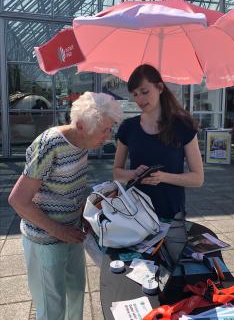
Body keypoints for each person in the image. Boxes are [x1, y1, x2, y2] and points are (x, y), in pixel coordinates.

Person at [8, 92, 122, 320]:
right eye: (104, 130)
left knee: (76, 293)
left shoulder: (82, 143)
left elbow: (71, 189)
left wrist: (86, 214)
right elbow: (18, 200)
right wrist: (60, 230)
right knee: (52, 307)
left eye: (110, 129)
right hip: (45, 240)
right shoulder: (51, 145)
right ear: (80, 125)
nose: (108, 136)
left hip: (72, 233)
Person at [113, 64, 204, 220]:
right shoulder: (128, 127)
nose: (139, 99)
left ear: (160, 87)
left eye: (144, 91)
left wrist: (163, 177)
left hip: (171, 213)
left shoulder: (183, 126)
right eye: (134, 94)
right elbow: (116, 173)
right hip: (135, 213)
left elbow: (197, 179)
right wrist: (133, 173)